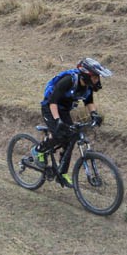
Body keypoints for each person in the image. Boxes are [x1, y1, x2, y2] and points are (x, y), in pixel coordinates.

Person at [32, 57, 111, 187]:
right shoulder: (68, 80)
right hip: (50, 107)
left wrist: (94, 114)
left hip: (64, 110)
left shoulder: (87, 87)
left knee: (70, 139)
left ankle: (62, 172)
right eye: (95, 77)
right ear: (86, 75)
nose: (97, 80)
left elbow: (89, 102)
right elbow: (53, 102)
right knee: (58, 133)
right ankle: (38, 151)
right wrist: (57, 121)